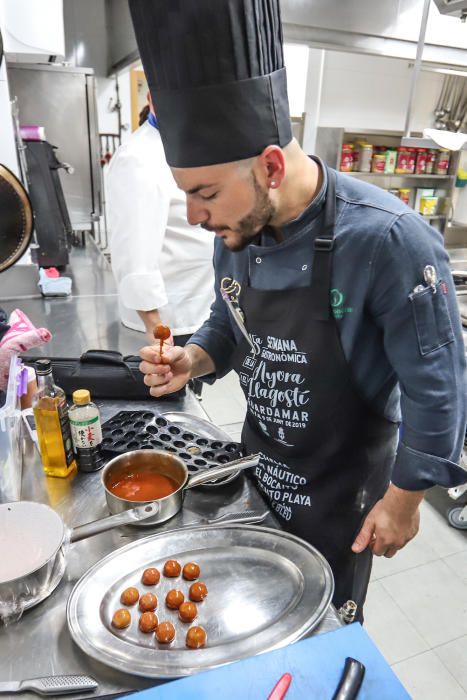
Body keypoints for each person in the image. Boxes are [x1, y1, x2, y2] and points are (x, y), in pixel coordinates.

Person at [129, 0, 467, 619]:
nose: (194, 217)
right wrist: (196, 357)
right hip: (258, 470)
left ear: (272, 167)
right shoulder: (236, 231)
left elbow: (438, 389)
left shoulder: (389, 240)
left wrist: (406, 499)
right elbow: (230, 321)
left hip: (343, 496)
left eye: (203, 193)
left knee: (320, 628)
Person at [106, 92, 215, 354]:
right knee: (172, 390)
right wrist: (157, 332)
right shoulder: (139, 158)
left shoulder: (182, 146)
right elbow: (134, 255)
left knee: (190, 388)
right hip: (167, 320)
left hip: (196, 306)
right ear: (152, 98)